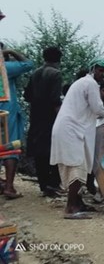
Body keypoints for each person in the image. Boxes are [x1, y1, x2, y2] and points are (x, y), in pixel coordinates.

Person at [50, 59, 104, 219]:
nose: (102, 74)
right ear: (93, 69)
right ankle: (70, 209)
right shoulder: (91, 84)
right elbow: (98, 109)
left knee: (74, 167)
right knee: (77, 167)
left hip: (68, 129)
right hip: (71, 130)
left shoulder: (82, 83)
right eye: (100, 71)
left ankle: (77, 203)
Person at [24, 47, 64, 197]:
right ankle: (52, 184)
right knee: (53, 150)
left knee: (39, 152)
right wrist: (62, 118)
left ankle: (43, 184)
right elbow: (55, 100)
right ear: (59, 59)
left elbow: (27, 95)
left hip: (35, 116)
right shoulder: (56, 74)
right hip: (49, 117)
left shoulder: (35, 73)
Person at [0, 43, 34, 199]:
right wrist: (12, 51)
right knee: (10, 148)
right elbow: (29, 64)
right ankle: (9, 187)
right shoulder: (6, 67)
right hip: (6, 111)